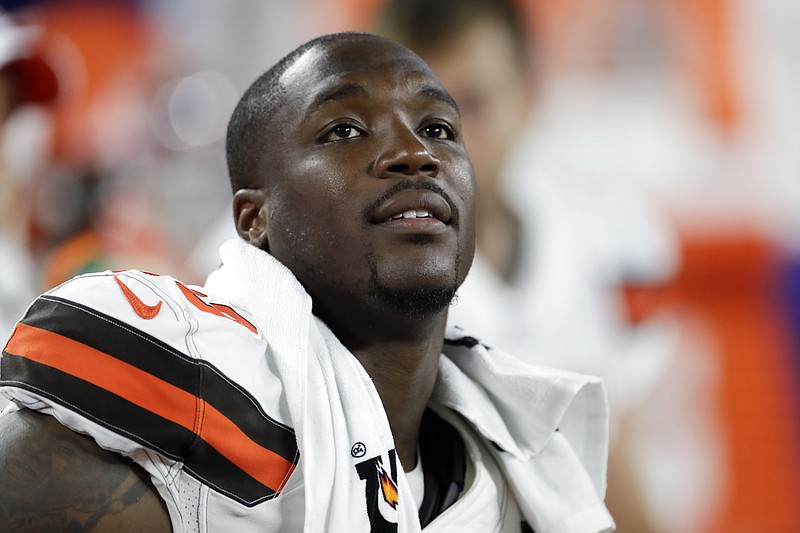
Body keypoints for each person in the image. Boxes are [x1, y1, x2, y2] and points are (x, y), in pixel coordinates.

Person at [0, 32, 614, 532]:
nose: (414, 154)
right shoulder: (200, 379)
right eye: (345, 130)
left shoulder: (521, 468)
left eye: (438, 129)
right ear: (254, 217)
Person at [374, 2, 681, 532]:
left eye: (472, 104)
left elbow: (613, 459)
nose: (434, 146)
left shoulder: (602, 236)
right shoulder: (323, 255)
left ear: (529, 94)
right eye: (410, 114)